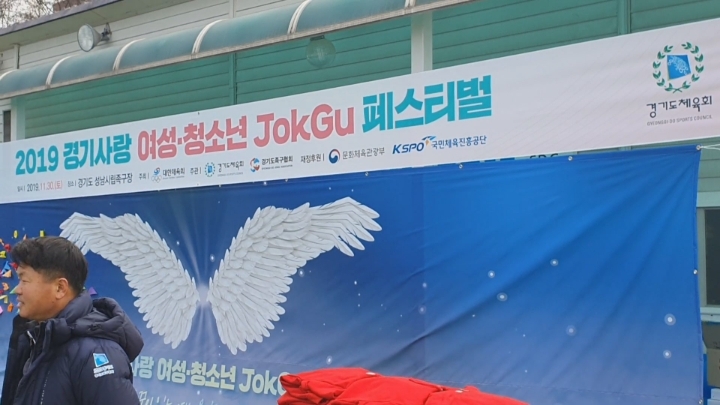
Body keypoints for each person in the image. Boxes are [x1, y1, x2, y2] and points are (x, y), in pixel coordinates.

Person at [0, 236, 144, 405]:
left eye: (24, 280)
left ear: (60, 288)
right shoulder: (34, 339)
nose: (17, 290)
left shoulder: (94, 354)